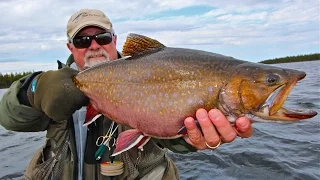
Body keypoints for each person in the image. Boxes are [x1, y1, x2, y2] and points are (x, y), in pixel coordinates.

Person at [0, 9, 252, 180]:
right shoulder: (52, 85)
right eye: (82, 41)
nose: (94, 45)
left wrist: (191, 138)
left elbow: (172, 138)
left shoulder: (150, 74)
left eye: (102, 37)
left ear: (114, 39)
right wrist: (33, 90)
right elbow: (9, 118)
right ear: (70, 47)